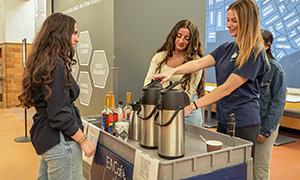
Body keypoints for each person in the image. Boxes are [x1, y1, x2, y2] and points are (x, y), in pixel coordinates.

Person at [153, 0, 269, 157]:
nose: (229, 25)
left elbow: (226, 88)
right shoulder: (226, 48)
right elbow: (199, 63)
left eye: (234, 21)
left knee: (240, 168)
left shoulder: (255, 53)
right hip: (224, 118)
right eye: (228, 20)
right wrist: (172, 72)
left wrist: (193, 106)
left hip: (243, 122)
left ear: (248, 21)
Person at [18, 12, 96, 180]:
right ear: (61, 33)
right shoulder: (56, 66)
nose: (77, 39)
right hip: (61, 143)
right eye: (74, 33)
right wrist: (84, 141)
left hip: (46, 140)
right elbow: (58, 113)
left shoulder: (42, 63)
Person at [144, 19, 206, 127]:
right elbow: (148, 83)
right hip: (165, 108)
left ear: (192, 41)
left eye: (187, 38)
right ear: (173, 36)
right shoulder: (160, 57)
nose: (181, 41)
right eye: (179, 36)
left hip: (188, 112)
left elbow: (189, 92)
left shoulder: (196, 61)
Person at [253, 30, 286, 180]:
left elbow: (278, 103)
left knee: (259, 169)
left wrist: (266, 130)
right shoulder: (248, 66)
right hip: (248, 124)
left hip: (264, 126)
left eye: (258, 42)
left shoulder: (275, 70)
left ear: (267, 45)